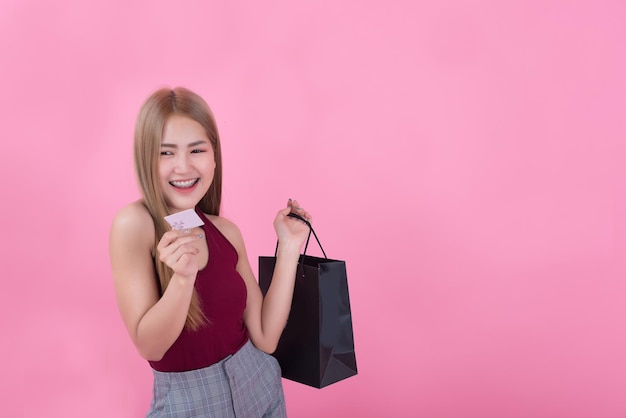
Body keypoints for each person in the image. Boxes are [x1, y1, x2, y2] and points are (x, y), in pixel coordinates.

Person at [109, 87, 311, 417]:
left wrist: (289, 247)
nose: (184, 166)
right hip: (189, 403)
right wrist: (183, 278)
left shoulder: (225, 231)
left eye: (197, 150)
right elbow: (150, 346)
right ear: (146, 158)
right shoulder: (134, 224)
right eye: (166, 152)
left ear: (214, 158)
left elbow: (265, 337)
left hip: (260, 390)